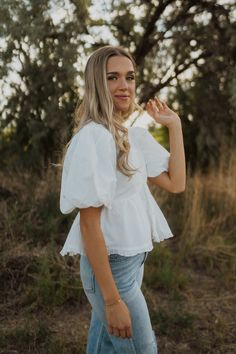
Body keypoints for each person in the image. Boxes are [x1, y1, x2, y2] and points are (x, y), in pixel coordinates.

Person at [59, 45, 186, 354]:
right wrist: (112, 300)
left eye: (129, 77)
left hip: (133, 261)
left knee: (103, 349)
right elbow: (89, 226)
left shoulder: (131, 136)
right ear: (96, 84)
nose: (124, 85)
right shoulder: (95, 137)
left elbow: (176, 183)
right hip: (111, 269)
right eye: (112, 77)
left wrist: (175, 125)